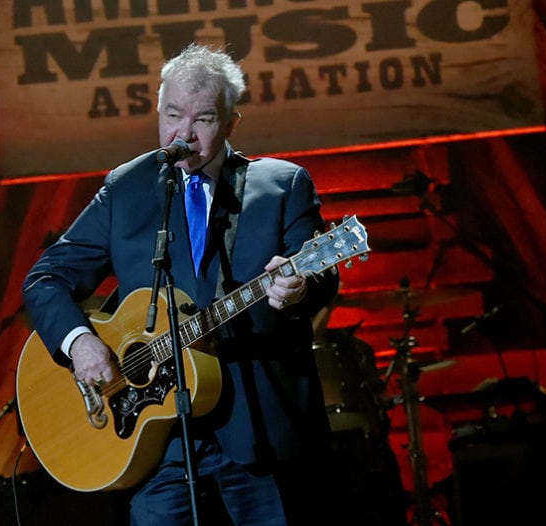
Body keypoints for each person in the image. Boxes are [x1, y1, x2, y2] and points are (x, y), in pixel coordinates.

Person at [22, 43, 341, 525]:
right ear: (158, 113)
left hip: (258, 432)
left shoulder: (281, 185)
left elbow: (320, 274)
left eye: (203, 119)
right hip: (156, 442)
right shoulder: (126, 188)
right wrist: (80, 342)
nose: (184, 134)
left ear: (231, 123)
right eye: (173, 115)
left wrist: (300, 288)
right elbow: (46, 278)